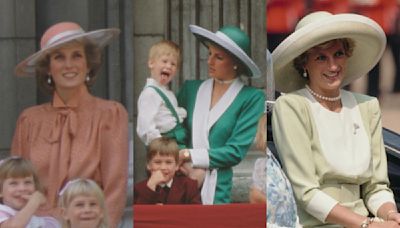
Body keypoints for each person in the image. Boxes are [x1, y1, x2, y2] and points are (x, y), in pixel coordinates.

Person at [272, 11, 400, 227]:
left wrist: (390, 215)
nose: (333, 66)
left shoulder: (367, 105)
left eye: (338, 54)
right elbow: (305, 192)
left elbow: (376, 187)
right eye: (321, 57)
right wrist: (365, 224)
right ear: (304, 63)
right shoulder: (291, 106)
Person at [11, 22, 128, 227]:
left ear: (88, 63)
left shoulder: (110, 114)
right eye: (59, 57)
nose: (69, 65)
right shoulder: (29, 121)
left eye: (77, 55)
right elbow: (14, 184)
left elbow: (115, 189)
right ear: (48, 68)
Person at [177, 25, 264, 204]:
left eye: (218, 57)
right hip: (181, 180)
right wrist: (184, 163)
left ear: (235, 63)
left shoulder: (251, 98)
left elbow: (235, 151)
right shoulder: (190, 89)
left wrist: (190, 156)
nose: (209, 61)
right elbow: (174, 131)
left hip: (217, 189)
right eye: (209, 53)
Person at [136, 40, 187, 147]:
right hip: (165, 144)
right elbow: (145, 127)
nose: (168, 66)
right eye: (164, 61)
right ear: (151, 63)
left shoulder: (167, 92)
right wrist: (161, 147)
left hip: (177, 140)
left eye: (173, 64)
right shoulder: (150, 93)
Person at [134, 137, 201, 204]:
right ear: (148, 165)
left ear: (177, 165)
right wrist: (151, 185)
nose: (163, 167)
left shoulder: (189, 186)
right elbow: (139, 212)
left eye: (168, 162)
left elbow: (196, 212)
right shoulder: (139, 188)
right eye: (157, 162)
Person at [0, 156, 60, 227]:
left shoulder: (34, 217)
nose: (22, 188)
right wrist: (33, 203)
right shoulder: (2, 212)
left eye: (27, 182)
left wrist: (46, 207)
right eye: (14, 183)